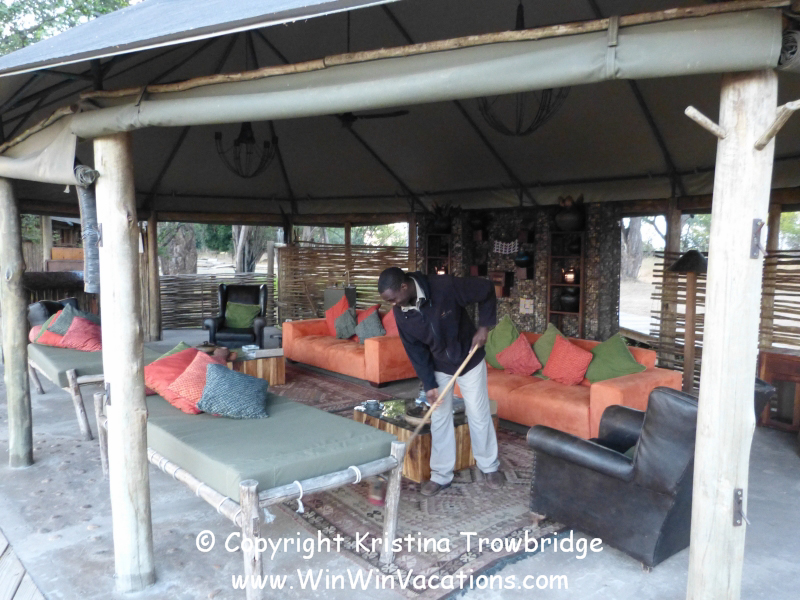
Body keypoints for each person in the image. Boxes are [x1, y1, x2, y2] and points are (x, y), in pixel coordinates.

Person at [378, 267, 503, 496]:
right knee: (439, 418)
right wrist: (429, 385)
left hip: (469, 358)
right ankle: (441, 475)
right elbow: (416, 352)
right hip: (439, 366)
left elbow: (486, 289)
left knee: (478, 414)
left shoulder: (444, 287)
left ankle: (489, 466)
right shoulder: (402, 314)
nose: (393, 305)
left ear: (404, 286)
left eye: (393, 299)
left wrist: (484, 327)